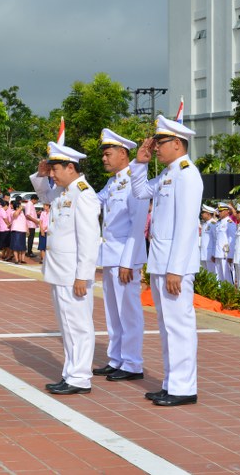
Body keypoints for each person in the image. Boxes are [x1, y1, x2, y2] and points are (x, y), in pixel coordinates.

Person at [130, 115, 203, 407]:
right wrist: (140, 162)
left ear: (177, 143)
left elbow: (187, 226)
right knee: (166, 325)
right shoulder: (168, 174)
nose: (156, 147)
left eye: (160, 143)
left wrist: (176, 268)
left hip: (176, 265)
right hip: (161, 261)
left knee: (180, 326)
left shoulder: (187, 174)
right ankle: (172, 383)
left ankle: (184, 387)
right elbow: (139, 192)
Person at [30, 142, 101, 395]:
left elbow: (90, 239)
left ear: (70, 167)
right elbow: (43, 196)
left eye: (54, 169)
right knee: (67, 326)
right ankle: (71, 373)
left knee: (78, 326)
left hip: (73, 274)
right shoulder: (63, 192)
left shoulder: (83, 194)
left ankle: (80, 377)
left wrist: (83, 275)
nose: (52, 174)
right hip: (60, 271)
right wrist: (40, 176)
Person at [92, 129, 150, 383]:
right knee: (113, 312)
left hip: (125, 258)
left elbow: (138, 224)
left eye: (108, 154)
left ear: (123, 154)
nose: (104, 159)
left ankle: (133, 363)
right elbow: (93, 202)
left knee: (129, 312)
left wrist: (128, 261)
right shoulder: (113, 181)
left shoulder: (134, 179)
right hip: (111, 256)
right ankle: (117, 358)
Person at [212, 203, 236, 284]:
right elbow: (216, 240)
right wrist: (214, 253)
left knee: (227, 277)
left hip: (225, 255)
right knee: (219, 276)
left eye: (221, 211)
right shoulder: (218, 223)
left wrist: (231, 255)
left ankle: (229, 293)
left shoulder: (230, 223)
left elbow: (231, 241)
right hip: (218, 253)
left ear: (227, 211)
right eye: (219, 211)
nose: (219, 213)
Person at [199, 205, 217, 273]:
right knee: (205, 274)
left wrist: (214, 254)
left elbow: (215, 240)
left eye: (203, 212)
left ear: (208, 214)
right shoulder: (205, 224)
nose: (202, 214)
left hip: (210, 255)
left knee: (212, 273)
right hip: (204, 253)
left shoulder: (213, 224)